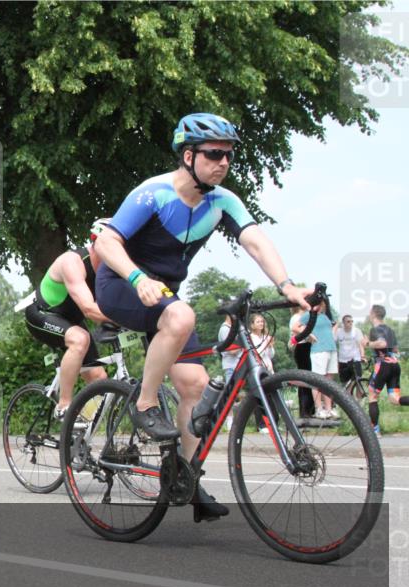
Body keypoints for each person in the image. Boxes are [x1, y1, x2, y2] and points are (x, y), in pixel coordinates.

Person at [93, 112, 312, 522]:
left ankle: (186, 480)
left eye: (229, 156)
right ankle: (144, 405)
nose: (223, 163)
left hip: (165, 295)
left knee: (194, 385)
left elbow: (256, 242)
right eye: (214, 154)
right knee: (180, 316)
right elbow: (106, 241)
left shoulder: (222, 201)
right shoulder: (152, 193)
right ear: (188, 155)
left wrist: (287, 287)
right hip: (120, 284)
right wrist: (137, 276)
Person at [23, 218, 111, 418]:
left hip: (71, 321)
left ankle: (80, 429)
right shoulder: (73, 262)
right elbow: (90, 310)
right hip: (41, 314)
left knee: (99, 379)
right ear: (98, 244)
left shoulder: (112, 271)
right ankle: (64, 405)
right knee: (80, 339)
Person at [366, 304, 409, 435]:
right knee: (394, 399)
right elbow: (395, 349)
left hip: (383, 364)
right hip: (394, 365)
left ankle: (375, 431)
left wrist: (367, 344)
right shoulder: (390, 330)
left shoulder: (375, 329)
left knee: (372, 396)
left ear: (373, 314)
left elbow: (382, 343)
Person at [299, 302, 338, 418]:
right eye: (319, 303)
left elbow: (332, 327)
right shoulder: (309, 315)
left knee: (328, 381)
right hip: (319, 350)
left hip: (331, 348)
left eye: (323, 303)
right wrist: (309, 335)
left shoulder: (325, 316)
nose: (322, 305)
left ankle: (328, 408)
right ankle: (318, 408)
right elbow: (296, 327)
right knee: (317, 380)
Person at [249, 313, 276, 434]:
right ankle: (261, 424)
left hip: (268, 369)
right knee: (260, 396)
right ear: (252, 324)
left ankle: (273, 421)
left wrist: (270, 346)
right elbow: (256, 353)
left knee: (270, 396)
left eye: (262, 321)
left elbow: (270, 355)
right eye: (258, 322)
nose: (261, 324)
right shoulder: (250, 338)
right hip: (257, 369)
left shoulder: (265, 337)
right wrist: (266, 344)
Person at [289, 305, 316, 419]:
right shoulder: (297, 317)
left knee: (308, 379)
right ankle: (305, 410)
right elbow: (296, 330)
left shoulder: (303, 317)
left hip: (306, 346)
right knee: (304, 379)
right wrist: (309, 335)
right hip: (302, 347)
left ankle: (310, 409)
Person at [335, 314, 367, 388]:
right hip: (343, 361)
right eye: (348, 322)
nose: (351, 323)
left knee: (358, 383)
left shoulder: (356, 331)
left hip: (355, 360)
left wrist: (362, 356)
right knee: (344, 384)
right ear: (343, 323)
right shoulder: (339, 331)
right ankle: (346, 399)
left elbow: (360, 345)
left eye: (352, 321)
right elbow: (333, 343)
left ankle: (358, 399)